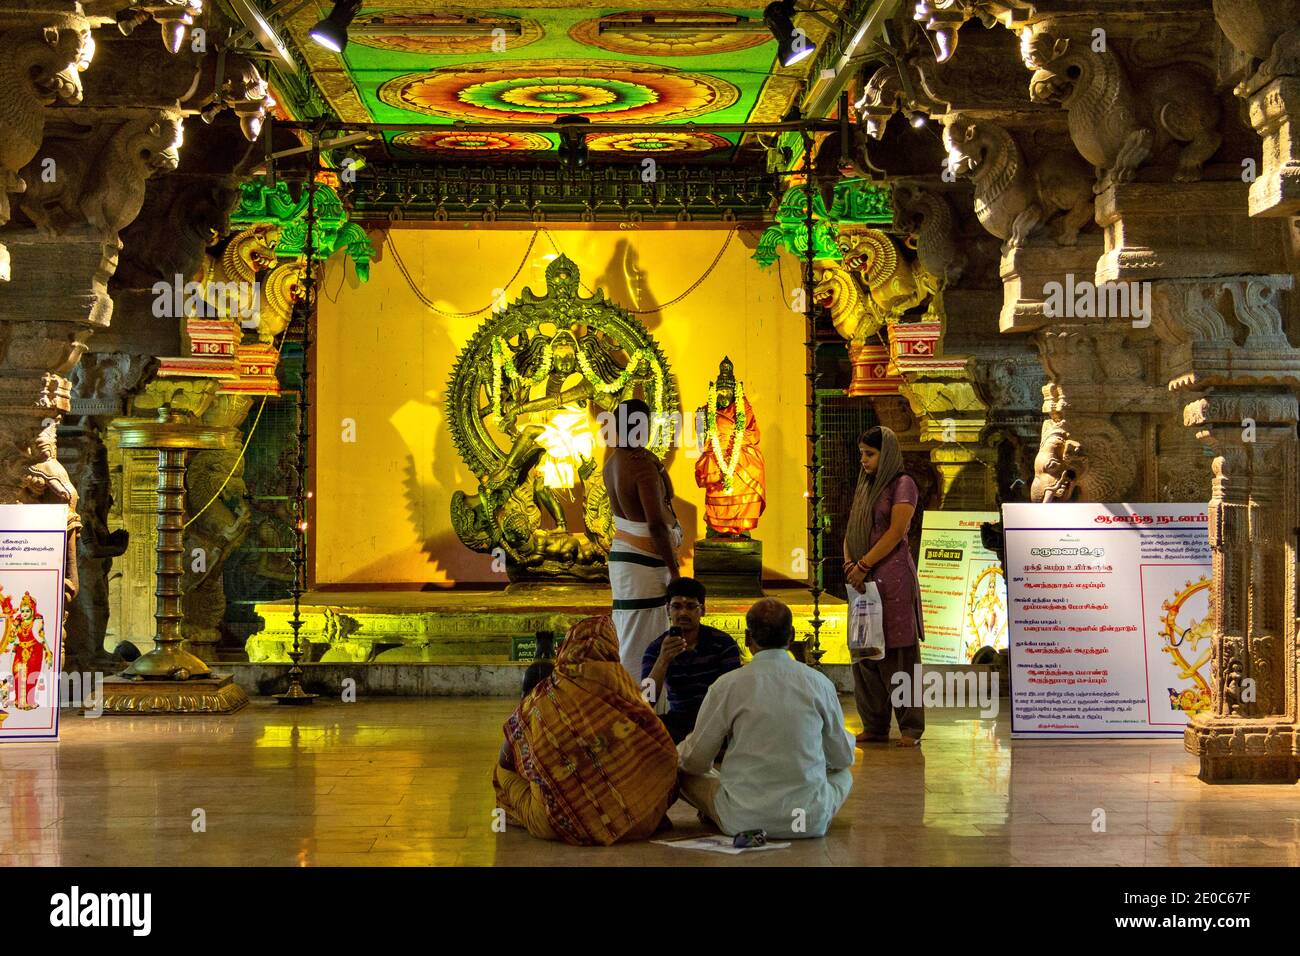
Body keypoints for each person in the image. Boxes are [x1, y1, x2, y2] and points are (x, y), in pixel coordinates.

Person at [677, 598, 855, 839]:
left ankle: (724, 811)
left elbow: (696, 762)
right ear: (791, 636)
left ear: (748, 639)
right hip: (807, 821)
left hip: (741, 819)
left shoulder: (727, 685)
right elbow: (842, 757)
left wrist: (675, 752)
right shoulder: (819, 683)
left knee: (682, 771)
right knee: (843, 773)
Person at [492, 615, 677, 845]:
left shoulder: (546, 694)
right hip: (638, 822)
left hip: (557, 823)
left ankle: (517, 811)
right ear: (611, 648)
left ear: (568, 647)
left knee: (502, 774)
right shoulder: (625, 690)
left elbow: (506, 759)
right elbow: (666, 752)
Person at [843, 425, 925, 748]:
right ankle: (874, 725)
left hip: (891, 581)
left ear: (886, 453)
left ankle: (910, 727)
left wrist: (863, 565)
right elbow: (851, 527)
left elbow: (896, 531)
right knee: (865, 653)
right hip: (862, 584)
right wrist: (850, 565)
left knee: (899, 653)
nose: (863, 460)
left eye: (870, 454)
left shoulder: (903, 484)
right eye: (862, 453)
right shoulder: (865, 485)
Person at [603, 397, 683, 676]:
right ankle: (642, 706)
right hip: (645, 566)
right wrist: (674, 570)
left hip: (626, 561)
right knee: (645, 638)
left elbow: (668, 496)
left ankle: (630, 700)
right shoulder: (640, 467)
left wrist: (658, 464)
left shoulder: (614, 461)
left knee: (630, 633)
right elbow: (656, 525)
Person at [641, 577, 741, 743]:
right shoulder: (657, 649)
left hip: (716, 720)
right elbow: (646, 700)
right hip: (679, 720)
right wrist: (663, 661)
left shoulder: (723, 643)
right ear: (667, 610)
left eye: (690, 606)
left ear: (702, 610)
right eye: (677, 606)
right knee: (641, 728)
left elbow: (734, 694)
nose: (683, 613)